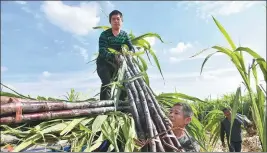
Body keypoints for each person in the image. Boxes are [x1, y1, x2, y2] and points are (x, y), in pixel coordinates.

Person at [96, 10, 135, 101]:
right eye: (113, 19)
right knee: (107, 84)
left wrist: (129, 53)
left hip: (117, 64)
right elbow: (102, 51)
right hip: (103, 63)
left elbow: (132, 48)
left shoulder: (124, 35)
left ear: (122, 21)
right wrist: (114, 56)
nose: (116, 21)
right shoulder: (104, 34)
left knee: (122, 83)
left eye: (118, 19)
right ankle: (104, 108)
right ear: (110, 22)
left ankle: (121, 108)